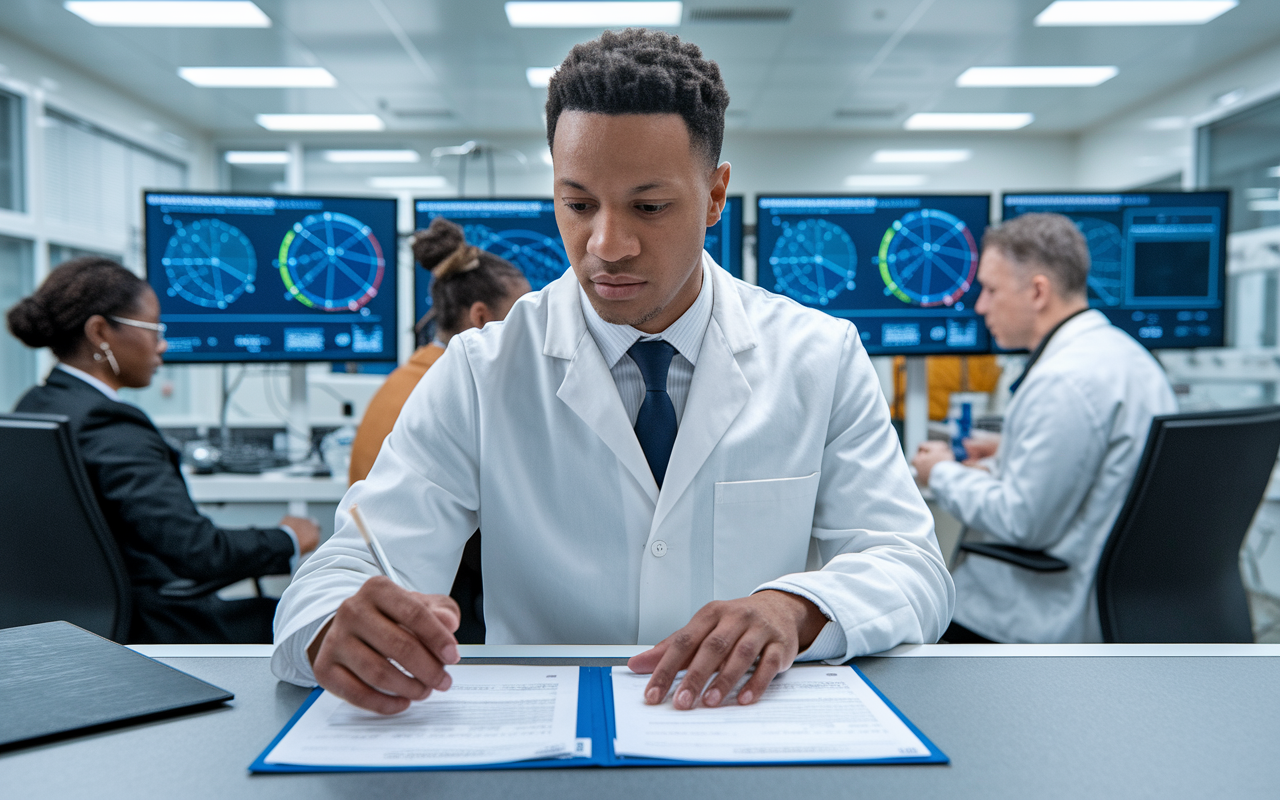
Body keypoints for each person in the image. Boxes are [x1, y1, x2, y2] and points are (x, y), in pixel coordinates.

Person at [273, 28, 953, 715]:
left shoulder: (820, 356)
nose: (607, 246)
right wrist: (337, 623)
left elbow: (911, 567)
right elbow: (348, 566)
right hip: (548, 748)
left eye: (649, 207)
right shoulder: (482, 371)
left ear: (716, 196)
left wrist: (795, 608)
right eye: (578, 204)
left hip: (744, 737)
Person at [6, 257, 320, 644]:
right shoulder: (110, 424)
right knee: (312, 619)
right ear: (100, 332)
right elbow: (199, 553)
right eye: (153, 329)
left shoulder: (34, 406)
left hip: (65, 629)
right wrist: (287, 537)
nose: (162, 344)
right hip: (153, 628)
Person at [911, 213, 1177, 644]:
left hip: (1037, 614)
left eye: (991, 290)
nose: (980, 306)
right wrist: (1009, 449)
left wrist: (939, 471)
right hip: (1127, 603)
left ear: (1038, 291)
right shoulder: (1129, 357)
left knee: (911, 623)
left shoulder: (1062, 381)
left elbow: (1022, 523)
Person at [347, 218, 531, 485]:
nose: (530, 330)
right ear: (480, 317)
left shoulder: (409, 377)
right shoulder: (457, 393)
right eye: (520, 317)